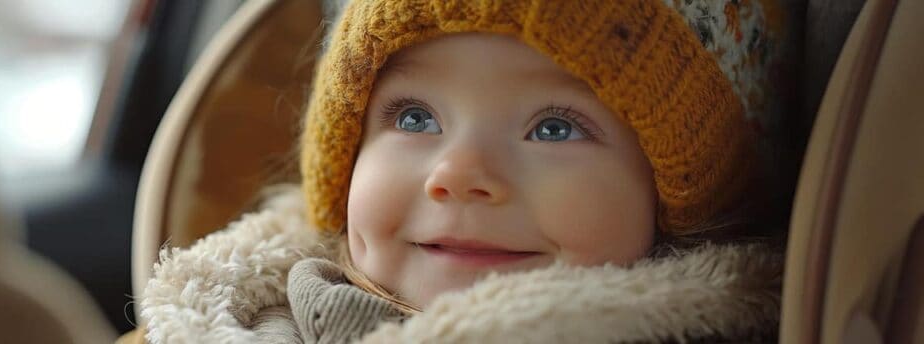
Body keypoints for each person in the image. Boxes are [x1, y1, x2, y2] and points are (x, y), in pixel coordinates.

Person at [140, 0, 795, 342]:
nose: (457, 173)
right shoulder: (226, 319)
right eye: (416, 118)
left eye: (554, 127)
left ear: (676, 199)